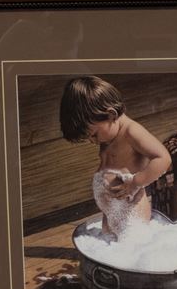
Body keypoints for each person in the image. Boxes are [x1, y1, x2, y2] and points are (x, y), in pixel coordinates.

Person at [60, 76, 171, 237]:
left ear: (111, 115)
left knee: (133, 242)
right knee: (109, 242)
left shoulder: (131, 132)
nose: (93, 141)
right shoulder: (109, 134)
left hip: (130, 205)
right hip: (111, 207)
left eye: (94, 135)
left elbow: (163, 158)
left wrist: (135, 182)